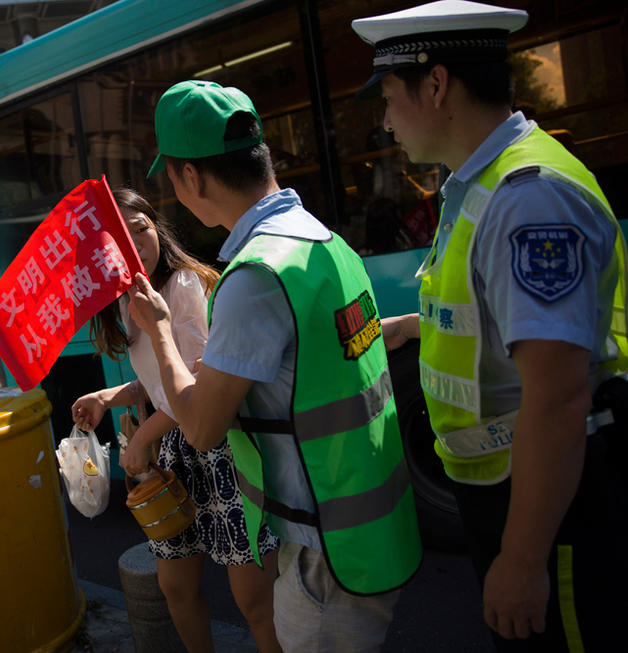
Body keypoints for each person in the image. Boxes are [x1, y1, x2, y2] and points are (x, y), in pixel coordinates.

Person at [351, 1, 628, 651]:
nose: (385, 121)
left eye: (389, 96)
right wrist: (416, 326)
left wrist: (524, 558)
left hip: (555, 502)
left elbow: (557, 396)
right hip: (516, 491)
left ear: (438, 84)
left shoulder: (527, 197)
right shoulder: (480, 184)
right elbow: (499, 314)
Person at [127, 80, 421, 652]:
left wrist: (160, 330)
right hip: (373, 528)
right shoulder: (324, 242)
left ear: (189, 176)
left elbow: (202, 426)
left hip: (324, 553)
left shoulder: (254, 275)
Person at [71, 187, 282, 653]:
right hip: (174, 455)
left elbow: (205, 378)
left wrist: (141, 439)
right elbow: (165, 378)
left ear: (157, 232)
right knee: (176, 587)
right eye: (117, 238)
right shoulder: (127, 300)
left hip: (224, 448)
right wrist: (110, 395)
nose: (133, 243)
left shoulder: (181, 284)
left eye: (140, 230)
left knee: (254, 600)